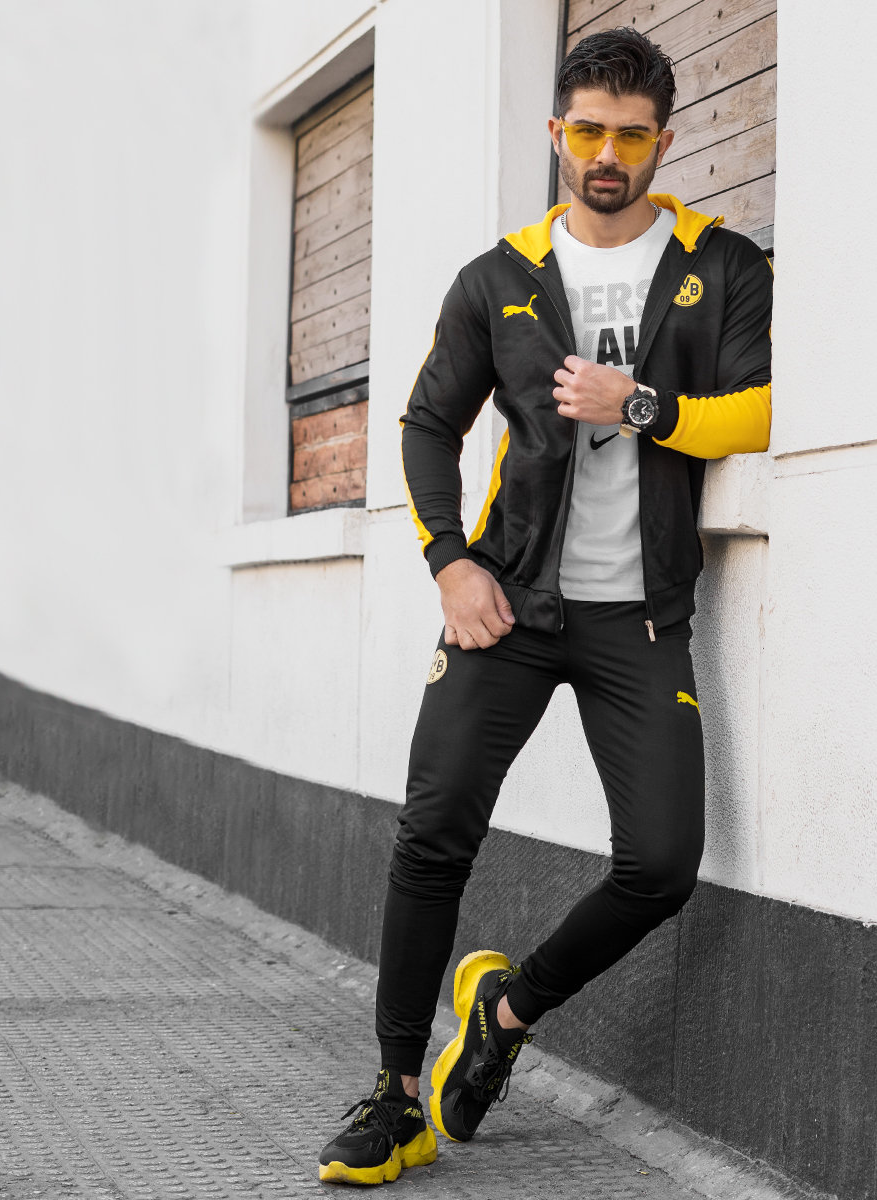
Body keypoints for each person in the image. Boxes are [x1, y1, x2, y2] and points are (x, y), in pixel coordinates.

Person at [318, 25, 772, 1185]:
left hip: (640, 618)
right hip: (508, 608)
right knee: (434, 835)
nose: (608, 155)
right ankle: (396, 1096)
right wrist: (449, 563)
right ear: (559, 131)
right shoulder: (501, 278)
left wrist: (641, 405)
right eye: (589, 131)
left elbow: (760, 410)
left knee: (662, 864)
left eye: (632, 135)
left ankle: (505, 1015)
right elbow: (427, 424)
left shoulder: (720, 265)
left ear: (664, 139)